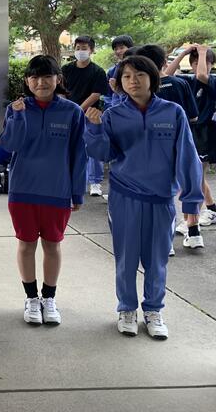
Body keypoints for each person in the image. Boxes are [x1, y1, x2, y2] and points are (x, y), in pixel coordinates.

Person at [84, 55, 202, 339]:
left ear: (152, 78)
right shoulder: (113, 114)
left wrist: (191, 200)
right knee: (126, 259)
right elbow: (103, 154)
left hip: (161, 198)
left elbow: (187, 157)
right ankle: (126, 309)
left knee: (157, 259)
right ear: (119, 83)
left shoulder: (173, 112)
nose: (133, 81)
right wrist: (95, 128)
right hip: (124, 196)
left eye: (139, 75)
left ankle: (153, 310)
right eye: (126, 76)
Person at [0, 55, 86, 326]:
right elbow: (9, 145)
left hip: (57, 191)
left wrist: (77, 192)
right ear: (27, 81)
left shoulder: (72, 112)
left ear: (58, 79)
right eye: (34, 77)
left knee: (52, 245)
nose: (41, 82)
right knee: (26, 244)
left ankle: (49, 298)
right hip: (23, 191)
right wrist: (18, 116)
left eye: (47, 76)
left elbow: (79, 154)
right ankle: (31, 298)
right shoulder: (17, 108)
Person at [135, 44, 208, 252]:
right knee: (191, 184)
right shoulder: (180, 83)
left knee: (163, 194)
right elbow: (193, 116)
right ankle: (194, 232)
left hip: (156, 149)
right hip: (185, 143)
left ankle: (165, 243)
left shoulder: (145, 90)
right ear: (163, 62)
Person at [166, 45, 216, 233]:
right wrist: (184, 54)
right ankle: (211, 209)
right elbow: (166, 75)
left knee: (195, 176)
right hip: (190, 131)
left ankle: (190, 221)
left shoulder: (212, 80)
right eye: (194, 63)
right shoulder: (187, 81)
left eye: (206, 63)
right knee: (194, 175)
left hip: (206, 133)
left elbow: (203, 75)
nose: (200, 66)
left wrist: (203, 52)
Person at [61, 36, 108, 197]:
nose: (80, 51)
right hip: (69, 115)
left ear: (91, 50)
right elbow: (61, 91)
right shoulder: (66, 69)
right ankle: (69, 179)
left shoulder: (98, 71)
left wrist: (78, 110)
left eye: (84, 48)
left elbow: (96, 94)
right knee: (69, 147)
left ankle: (95, 182)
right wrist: (68, 109)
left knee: (92, 148)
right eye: (78, 48)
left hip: (90, 115)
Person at [104, 35, 134, 108]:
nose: (118, 51)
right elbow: (107, 95)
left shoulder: (140, 68)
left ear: (130, 48)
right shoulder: (111, 72)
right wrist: (111, 108)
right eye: (115, 49)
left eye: (121, 48)